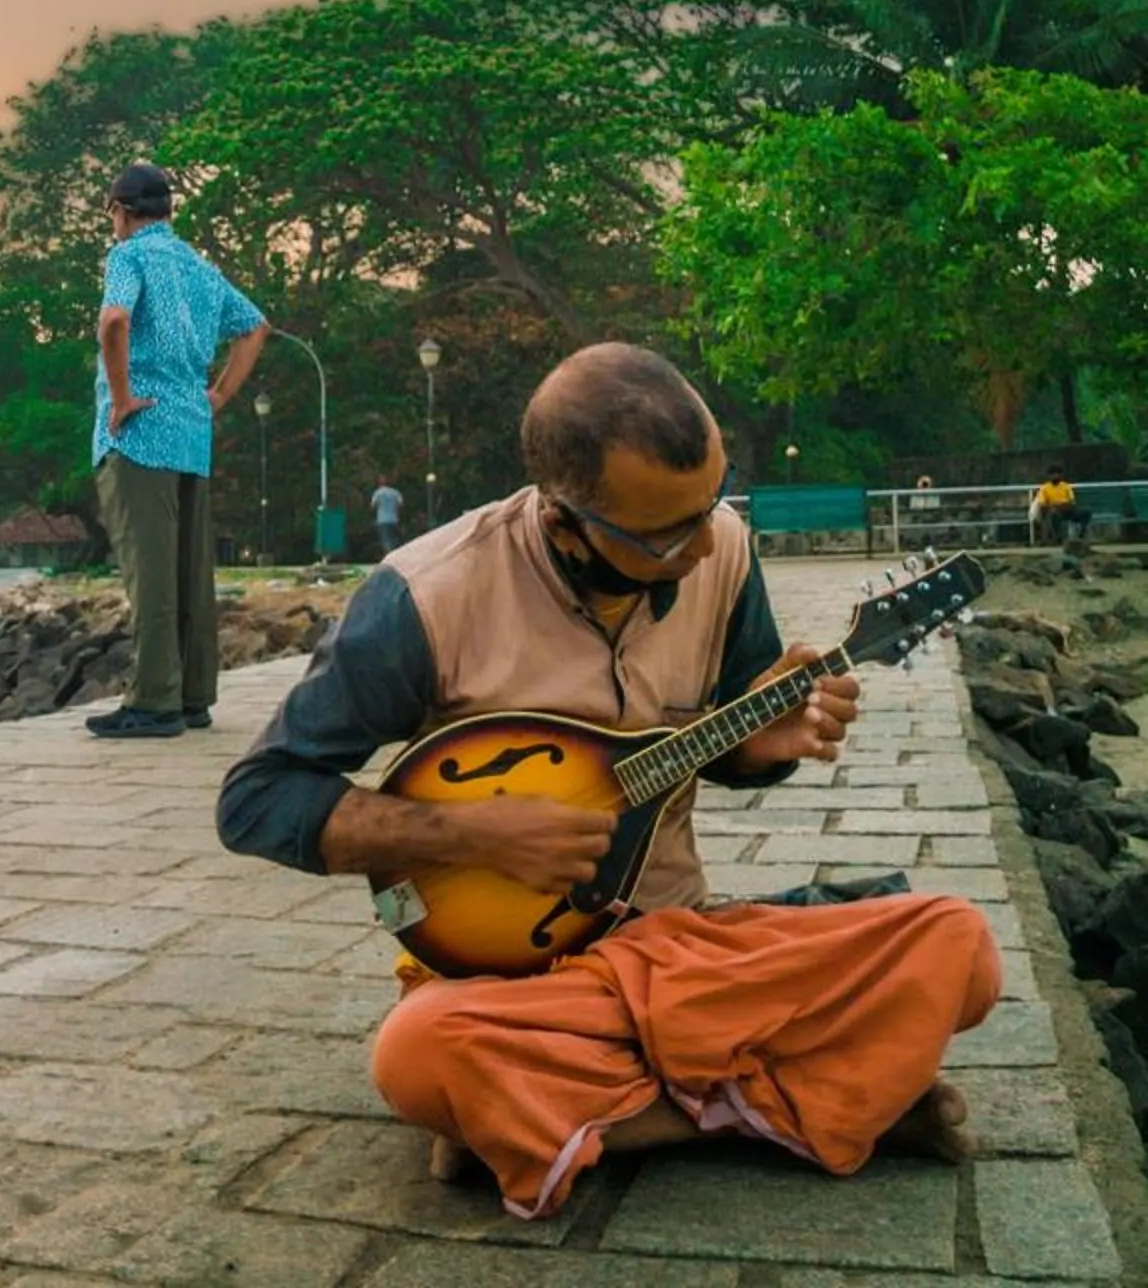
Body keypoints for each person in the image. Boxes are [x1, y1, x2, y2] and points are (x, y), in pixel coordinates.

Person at [215, 343, 997, 1220]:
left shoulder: (721, 550)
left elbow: (726, 747)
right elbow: (258, 798)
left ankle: (564, 1120)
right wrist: (473, 834)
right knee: (422, 1054)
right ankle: (796, 1095)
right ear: (565, 525)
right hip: (510, 981)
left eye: (714, 503)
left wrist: (762, 745)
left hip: (682, 948)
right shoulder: (427, 596)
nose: (707, 544)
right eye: (670, 536)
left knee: (957, 944)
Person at [85, 161, 269, 740]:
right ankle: (192, 696)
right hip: (191, 434)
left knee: (151, 572)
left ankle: (154, 702)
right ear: (168, 210)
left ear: (121, 211)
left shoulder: (129, 256)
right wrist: (220, 394)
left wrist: (121, 398)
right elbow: (255, 327)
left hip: (141, 435)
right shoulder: (198, 267)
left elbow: (114, 321)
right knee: (191, 572)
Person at [1033, 469, 1092, 545]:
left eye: (1057, 474)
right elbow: (1042, 503)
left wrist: (1067, 505)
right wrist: (1053, 507)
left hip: (1068, 509)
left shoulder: (1066, 486)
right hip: (1055, 511)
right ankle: (1058, 538)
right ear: (1049, 476)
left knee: (1086, 512)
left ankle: (1081, 534)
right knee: (1054, 515)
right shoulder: (1044, 488)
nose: (1055, 476)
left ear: (1060, 475)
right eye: (1053, 475)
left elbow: (1071, 501)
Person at [370, 480, 406, 561]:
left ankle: (390, 559)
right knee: (395, 540)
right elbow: (400, 504)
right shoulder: (395, 492)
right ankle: (397, 557)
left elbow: (373, 505)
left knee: (386, 540)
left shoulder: (378, 492)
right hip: (394, 519)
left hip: (382, 520)